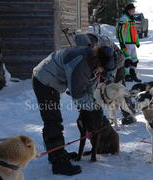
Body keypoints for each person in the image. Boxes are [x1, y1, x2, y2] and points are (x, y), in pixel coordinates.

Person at [32, 45, 115, 176]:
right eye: (102, 68)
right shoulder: (81, 65)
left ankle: (58, 153)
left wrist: (96, 104)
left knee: (54, 119)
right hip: (44, 81)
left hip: (53, 80)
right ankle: (58, 162)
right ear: (98, 61)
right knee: (53, 120)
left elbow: (89, 89)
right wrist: (95, 108)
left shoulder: (92, 62)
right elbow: (78, 95)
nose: (102, 71)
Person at [74, 33, 137, 125]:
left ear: (89, 44)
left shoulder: (102, 46)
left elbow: (110, 66)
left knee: (118, 88)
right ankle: (108, 116)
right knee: (100, 90)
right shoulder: (85, 44)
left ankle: (129, 114)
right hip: (103, 65)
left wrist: (107, 78)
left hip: (117, 63)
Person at [116, 3, 141, 82]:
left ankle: (132, 74)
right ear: (128, 10)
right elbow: (120, 32)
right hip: (126, 43)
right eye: (132, 10)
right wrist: (122, 44)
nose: (134, 11)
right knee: (127, 60)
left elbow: (134, 32)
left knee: (134, 60)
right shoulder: (124, 19)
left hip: (132, 43)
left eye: (134, 10)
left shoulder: (131, 19)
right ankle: (126, 75)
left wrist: (137, 42)